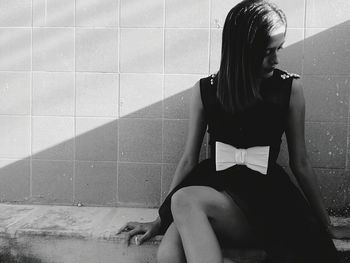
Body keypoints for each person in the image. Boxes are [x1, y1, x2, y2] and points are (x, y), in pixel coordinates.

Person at [117, 0, 350, 262]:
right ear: (243, 50)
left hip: (266, 201)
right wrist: (159, 221)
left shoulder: (289, 89)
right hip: (214, 194)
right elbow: (188, 160)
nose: (275, 59)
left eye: (278, 49)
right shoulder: (205, 90)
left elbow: (302, 163)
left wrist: (326, 225)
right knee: (168, 252)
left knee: (183, 200)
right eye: (267, 51)